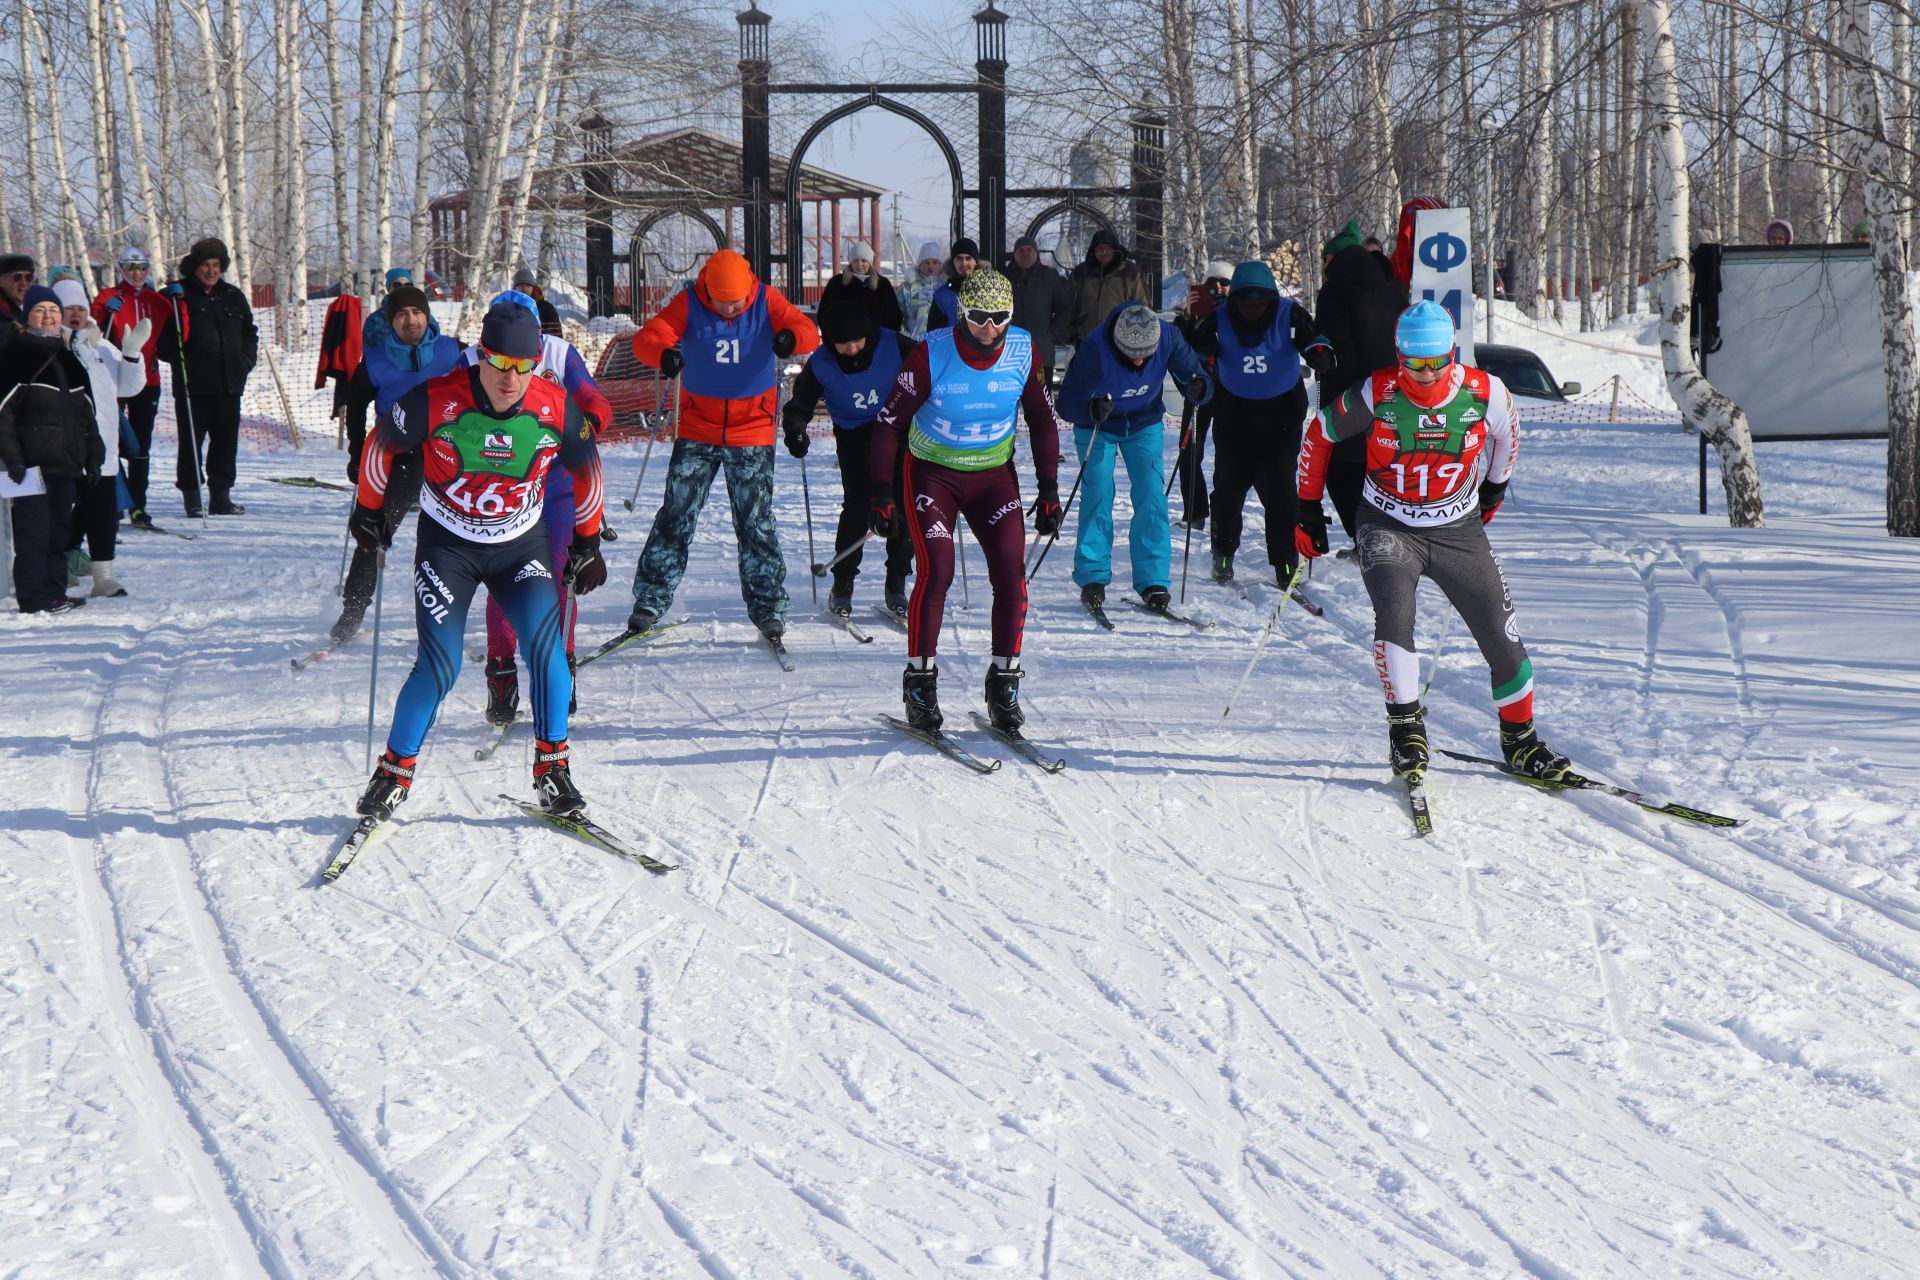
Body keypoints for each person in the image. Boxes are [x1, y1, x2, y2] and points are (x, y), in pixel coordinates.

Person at [1294, 299, 1570, 786]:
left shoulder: (1486, 392)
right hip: (1387, 525)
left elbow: (1509, 436)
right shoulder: (1375, 392)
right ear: (1400, 356)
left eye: (1436, 362)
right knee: (1395, 615)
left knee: (1502, 636)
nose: (1425, 374)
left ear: (1453, 352)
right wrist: (1307, 507)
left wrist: (1495, 485)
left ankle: (1521, 741)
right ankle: (1406, 731)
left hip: (1457, 529)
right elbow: (1319, 435)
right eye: (1414, 363)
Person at [349, 300, 606, 820]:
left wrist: (589, 541)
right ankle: (393, 773)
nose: (511, 378)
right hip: (448, 548)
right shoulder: (438, 399)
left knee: (547, 652)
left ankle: (552, 770)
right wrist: (369, 513)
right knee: (438, 666)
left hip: (519, 546)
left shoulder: (554, 406)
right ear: (480, 357)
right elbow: (380, 448)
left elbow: (588, 471)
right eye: (500, 364)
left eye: (524, 365)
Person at [868, 267, 1064, 734]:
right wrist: (881, 493)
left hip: (993, 477)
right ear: (961, 313)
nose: (989, 328)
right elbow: (888, 423)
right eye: (978, 317)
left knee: (1012, 576)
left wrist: (1050, 487)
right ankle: (919, 682)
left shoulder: (1022, 349)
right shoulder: (931, 352)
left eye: (999, 317)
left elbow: (1041, 419)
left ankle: (1003, 684)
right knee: (938, 569)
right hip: (933, 475)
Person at [624, 247, 818, 643]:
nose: (728, 311)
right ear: (707, 291)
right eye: (721, 304)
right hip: (698, 429)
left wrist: (788, 338)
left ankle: (767, 607)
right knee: (676, 517)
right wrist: (663, 354)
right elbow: (648, 337)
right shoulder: (690, 301)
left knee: (755, 524)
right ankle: (650, 599)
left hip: (752, 433)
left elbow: (808, 331)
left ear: (747, 289)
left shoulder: (765, 298)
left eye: (735, 304)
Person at [470, 289, 613, 724]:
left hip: (556, 487)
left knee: (560, 578)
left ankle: (559, 670)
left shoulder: (558, 352)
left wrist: (584, 427)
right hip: (503, 487)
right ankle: (502, 672)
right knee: (506, 582)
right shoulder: (476, 358)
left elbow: (595, 401)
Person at [327, 278, 464, 645]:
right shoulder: (375, 360)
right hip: (401, 454)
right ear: (391, 321)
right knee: (374, 529)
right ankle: (352, 611)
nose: (410, 319)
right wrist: (358, 453)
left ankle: (462, 617)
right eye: (402, 314)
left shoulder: (454, 353)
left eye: (417, 311)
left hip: (451, 452)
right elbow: (355, 407)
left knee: (471, 534)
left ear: (427, 315)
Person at [1054, 302, 1210, 614]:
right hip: (1098, 424)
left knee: (1152, 495)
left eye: (1145, 354)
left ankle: (1153, 581)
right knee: (1098, 493)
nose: (1139, 360)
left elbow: (1197, 375)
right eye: (1130, 353)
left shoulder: (1168, 337)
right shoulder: (1095, 348)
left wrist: (1199, 387)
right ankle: (1092, 577)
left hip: (1144, 422)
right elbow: (1067, 403)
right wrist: (1089, 408)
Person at [1186, 260, 1335, 586]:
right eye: (1245, 301)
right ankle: (1222, 553)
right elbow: (1196, 349)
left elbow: (1314, 337)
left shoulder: (1288, 312)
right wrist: (1199, 369)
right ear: (1234, 298)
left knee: (1281, 491)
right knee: (1228, 489)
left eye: (1259, 301)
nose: (1252, 308)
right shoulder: (1220, 317)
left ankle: (1285, 561)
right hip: (1234, 418)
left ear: (1271, 297)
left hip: (1280, 420)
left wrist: (1319, 352)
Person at [780, 300, 915, 620]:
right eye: (843, 343)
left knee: (903, 503)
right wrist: (795, 430)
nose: (851, 348)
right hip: (855, 436)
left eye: (857, 341)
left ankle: (896, 582)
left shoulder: (893, 344)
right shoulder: (822, 362)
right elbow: (799, 405)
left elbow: (930, 374)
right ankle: (842, 584)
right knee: (858, 505)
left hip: (898, 431)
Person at [0, 285, 101, 614]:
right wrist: (12, 458)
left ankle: (56, 591)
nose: (48, 317)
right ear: (27, 317)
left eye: (53, 311)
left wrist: (94, 460)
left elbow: (87, 416)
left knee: (60, 532)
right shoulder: (14, 354)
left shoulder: (70, 358)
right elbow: (3, 414)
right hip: (30, 467)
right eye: (40, 310)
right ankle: (34, 597)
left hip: (67, 464)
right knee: (34, 535)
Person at [1316, 226, 1411, 542]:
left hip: (1352, 397)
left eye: (1324, 259)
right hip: (1394, 397)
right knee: (1382, 473)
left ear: (1334, 258)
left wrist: (1327, 373)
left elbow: (1334, 349)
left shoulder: (1334, 292)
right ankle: (1382, 536)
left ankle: (1369, 541)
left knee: (1342, 474)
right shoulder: (1394, 288)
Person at [55, 279, 147, 598]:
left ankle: (103, 576)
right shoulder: (51, 346)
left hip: (102, 445)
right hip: (63, 447)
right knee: (62, 508)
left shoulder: (101, 347)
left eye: (81, 308)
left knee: (101, 509)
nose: (76, 315)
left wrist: (133, 354)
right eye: (69, 309)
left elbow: (129, 388)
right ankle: (58, 563)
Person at [156, 237, 258, 517]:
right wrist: (179, 359)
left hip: (229, 384)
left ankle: (220, 497)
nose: (211, 271)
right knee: (191, 443)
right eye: (205, 265)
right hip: (193, 386)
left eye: (216, 265)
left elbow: (250, 332)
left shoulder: (233, 295)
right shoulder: (178, 296)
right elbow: (162, 340)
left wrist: (246, 361)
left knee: (225, 443)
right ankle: (192, 497)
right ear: (194, 267)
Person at [90, 247, 167, 527]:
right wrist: (101, 315)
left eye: (142, 267)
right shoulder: (108, 297)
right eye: (131, 267)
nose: (137, 273)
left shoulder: (156, 301)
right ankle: (114, 502)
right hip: (114, 380)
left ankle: (138, 505)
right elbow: (93, 333)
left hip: (147, 380)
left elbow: (176, 335)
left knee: (141, 445)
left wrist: (178, 302)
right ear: (121, 269)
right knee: (112, 440)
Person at [1171, 260, 1233, 528]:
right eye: (1211, 283)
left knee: (1228, 452)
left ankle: (1224, 513)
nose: (1217, 288)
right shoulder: (1194, 314)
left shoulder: (1242, 312)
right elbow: (1177, 346)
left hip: (1231, 392)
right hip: (1198, 388)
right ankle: (1195, 513)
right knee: (1189, 449)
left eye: (1224, 283)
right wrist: (1187, 316)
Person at [1064, 228, 1153, 344]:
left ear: (1115, 249)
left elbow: (1144, 308)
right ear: (1093, 250)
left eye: (1107, 247)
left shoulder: (1131, 273)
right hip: (1087, 341)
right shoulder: (1080, 273)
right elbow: (1068, 307)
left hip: (1122, 343)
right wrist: (1072, 337)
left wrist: (1138, 340)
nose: (1103, 251)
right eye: (1099, 247)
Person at [1004, 234, 1070, 388]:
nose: (1025, 253)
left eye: (1029, 250)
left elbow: (1064, 308)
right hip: (1009, 352)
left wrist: (1051, 334)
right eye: (1021, 250)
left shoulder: (1049, 276)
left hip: (1042, 351)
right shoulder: (1004, 276)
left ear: (1036, 253)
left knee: (1041, 402)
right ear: (1014, 254)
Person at [816, 240, 904, 332]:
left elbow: (894, 316)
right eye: (856, 260)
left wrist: (884, 338)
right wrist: (835, 338)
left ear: (870, 262)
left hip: (878, 341)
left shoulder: (882, 284)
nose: (860, 264)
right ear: (851, 262)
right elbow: (825, 314)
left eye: (864, 260)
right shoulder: (837, 283)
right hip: (846, 342)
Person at [923, 237, 981, 332]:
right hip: (951, 345)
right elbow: (933, 334)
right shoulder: (942, 295)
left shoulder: (989, 290)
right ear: (953, 262)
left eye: (968, 258)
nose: (963, 263)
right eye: (959, 258)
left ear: (976, 262)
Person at [899, 242, 945, 339]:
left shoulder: (947, 287)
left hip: (942, 345)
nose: (930, 266)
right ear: (920, 264)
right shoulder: (908, 288)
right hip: (914, 345)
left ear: (941, 265)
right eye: (926, 262)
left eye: (935, 262)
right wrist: (905, 337)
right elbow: (895, 316)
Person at [512, 266, 564, 336]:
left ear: (533, 288)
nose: (524, 289)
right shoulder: (508, 307)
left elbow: (556, 338)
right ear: (515, 288)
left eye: (527, 286)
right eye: (520, 285)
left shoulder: (546, 308)